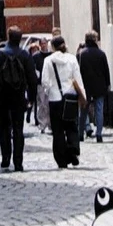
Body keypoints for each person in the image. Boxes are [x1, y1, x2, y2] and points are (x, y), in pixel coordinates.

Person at [0, 27, 38, 172]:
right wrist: (32, 98)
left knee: (3, 129)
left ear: (8, 37)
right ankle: (18, 162)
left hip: (2, 98)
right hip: (18, 97)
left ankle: (5, 158)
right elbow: (32, 79)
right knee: (18, 129)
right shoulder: (25, 55)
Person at [40, 32, 88, 168]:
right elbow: (78, 78)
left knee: (58, 130)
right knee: (71, 126)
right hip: (70, 96)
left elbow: (45, 81)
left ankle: (61, 159)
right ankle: (73, 150)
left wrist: (49, 91)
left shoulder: (48, 60)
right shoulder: (72, 59)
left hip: (55, 99)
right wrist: (81, 95)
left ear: (52, 47)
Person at [78, 31, 111, 143]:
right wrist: (108, 84)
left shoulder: (82, 53)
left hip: (86, 86)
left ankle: (80, 133)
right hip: (99, 85)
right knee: (99, 110)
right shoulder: (101, 54)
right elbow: (106, 70)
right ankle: (99, 134)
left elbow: (79, 71)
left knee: (83, 110)